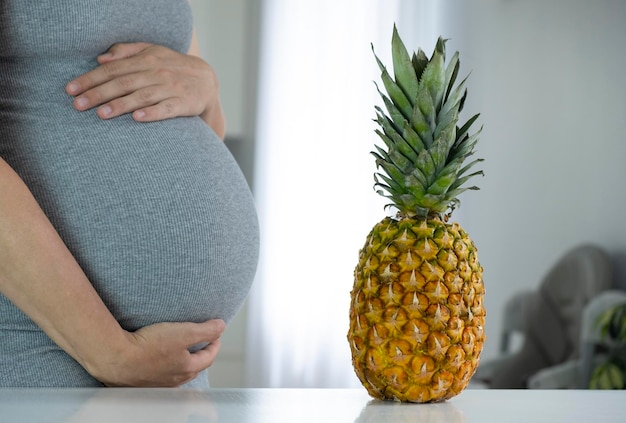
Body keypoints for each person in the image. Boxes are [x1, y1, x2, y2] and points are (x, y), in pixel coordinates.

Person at [0, 0, 259, 388]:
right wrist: (110, 352)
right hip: (41, 342)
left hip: (170, 364)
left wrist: (207, 87)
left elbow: (202, 125)